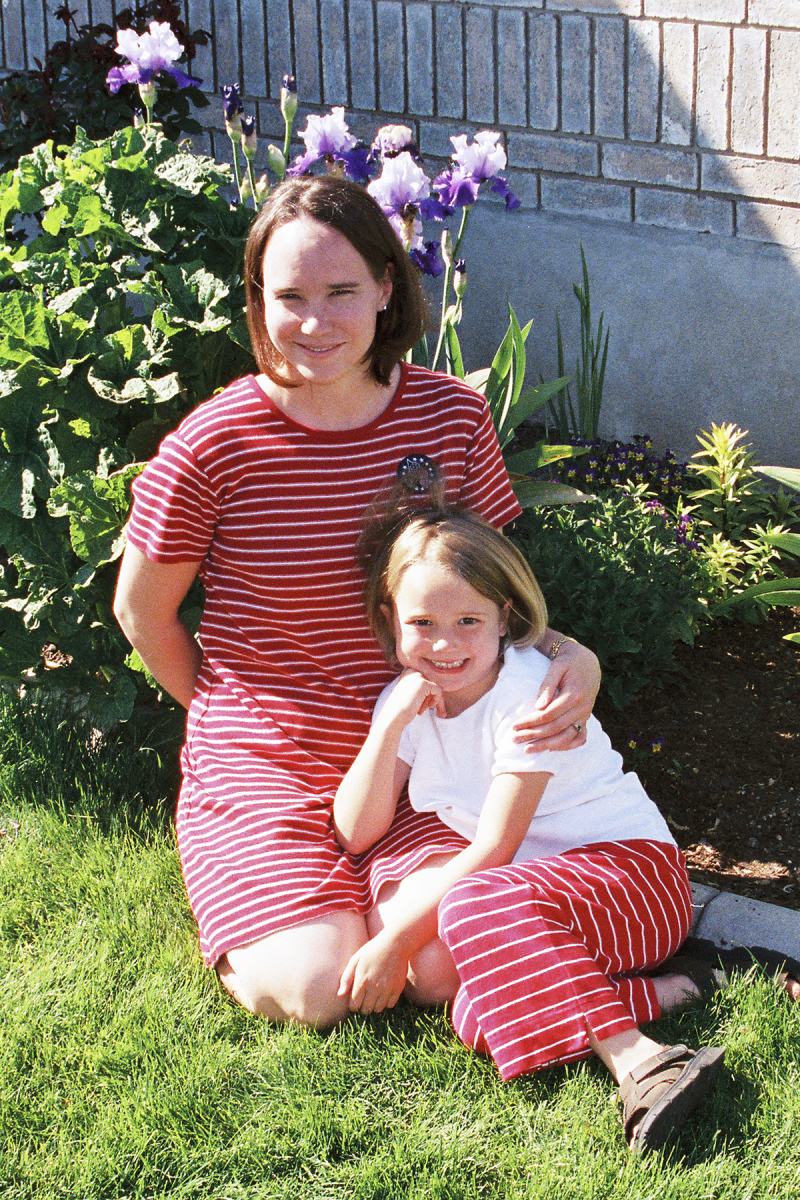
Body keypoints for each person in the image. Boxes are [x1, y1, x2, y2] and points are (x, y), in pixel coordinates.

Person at [113, 174, 601, 1030]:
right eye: (290, 296)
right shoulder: (212, 445)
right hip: (272, 761)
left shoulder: (450, 417)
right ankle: (268, 883)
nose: (317, 321)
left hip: (431, 756)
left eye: (342, 290)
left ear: (387, 284)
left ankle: (363, 897)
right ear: (259, 303)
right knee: (315, 990)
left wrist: (572, 655)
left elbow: (488, 596)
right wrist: (235, 719)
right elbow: (141, 613)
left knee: (442, 968)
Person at [333, 485, 725, 1154]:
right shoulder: (408, 699)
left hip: (633, 881)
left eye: (469, 623)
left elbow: (493, 851)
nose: (445, 645)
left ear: (505, 618)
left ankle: (642, 1064)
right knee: (475, 1013)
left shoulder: (529, 698)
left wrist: (394, 940)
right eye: (422, 623)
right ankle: (687, 982)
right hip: (539, 898)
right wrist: (391, 726)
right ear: (390, 618)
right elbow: (357, 832)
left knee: (469, 907)